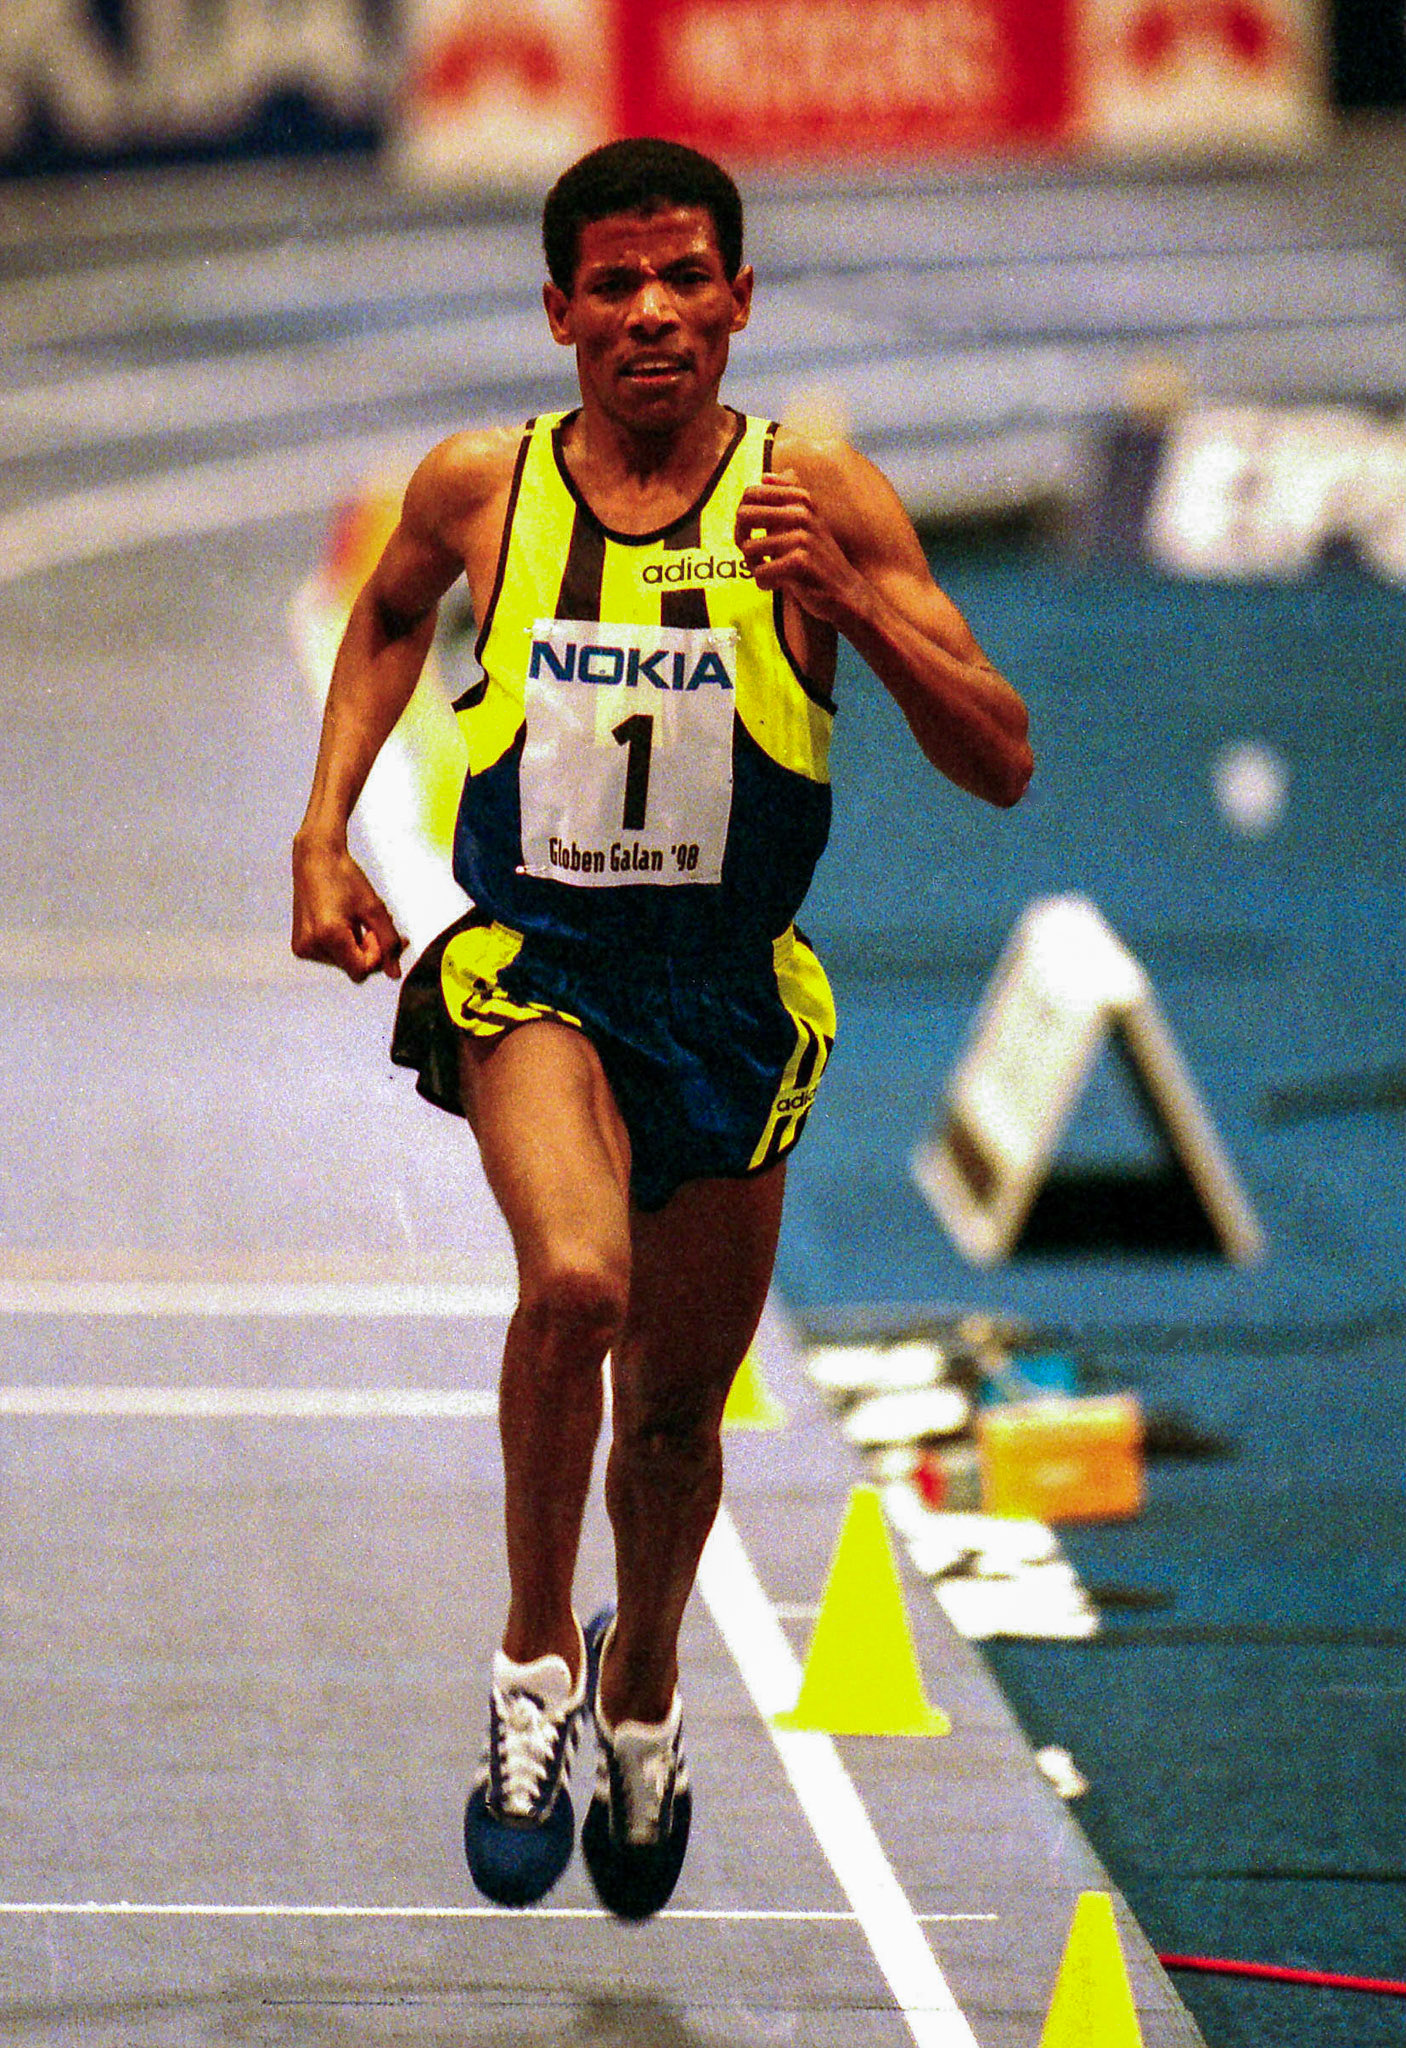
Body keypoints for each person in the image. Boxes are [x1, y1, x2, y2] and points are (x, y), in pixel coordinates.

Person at [291, 136, 1032, 1921]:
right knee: (577, 1288)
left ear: (738, 300)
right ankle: (534, 1669)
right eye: (610, 286)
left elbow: (999, 753)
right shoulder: (484, 486)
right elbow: (388, 618)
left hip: (725, 997)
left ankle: (645, 1692)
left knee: (680, 1425)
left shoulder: (819, 498)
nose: (649, 315)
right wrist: (320, 829)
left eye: (683, 279)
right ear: (557, 310)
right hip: (537, 963)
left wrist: (848, 610)